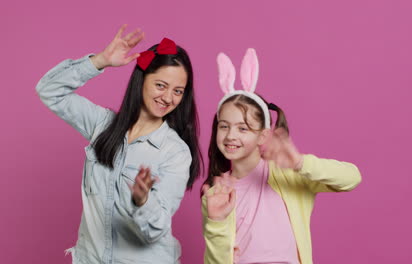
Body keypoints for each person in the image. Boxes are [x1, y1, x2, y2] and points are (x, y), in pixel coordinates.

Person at [36, 25, 202, 263]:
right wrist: (100, 61)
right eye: (161, 85)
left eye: (178, 91)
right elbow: (49, 91)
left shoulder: (175, 152)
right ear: (142, 80)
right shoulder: (102, 125)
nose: (168, 98)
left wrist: (141, 201)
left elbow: (155, 230)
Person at [202, 48, 362, 264]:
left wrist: (299, 162)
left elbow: (351, 178)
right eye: (224, 126)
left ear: (263, 136)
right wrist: (216, 222)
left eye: (243, 128)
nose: (231, 135)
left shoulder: (290, 175)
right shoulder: (216, 193)